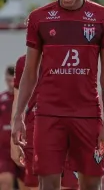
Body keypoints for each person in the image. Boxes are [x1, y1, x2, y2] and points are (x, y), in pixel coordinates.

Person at [11, 0, 104, 190]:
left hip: (88, 114)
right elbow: (30, 72)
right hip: (49, 115)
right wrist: (18, 117)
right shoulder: (39, 19)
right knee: (48, 183)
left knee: (91, 183)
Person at [11, 54, 79, 190]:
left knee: (69, 186)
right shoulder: (23, 62)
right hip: (34, 136)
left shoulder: (74, 56)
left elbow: (90, 93)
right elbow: (17, 103)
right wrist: (13, 143)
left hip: (68, 135)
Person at [0, 65, 24, 190]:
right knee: (5, 183)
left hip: (23, 148)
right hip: (4, 151)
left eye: (13, 80)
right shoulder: (1, 100)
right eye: (8, 80)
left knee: (26, 185)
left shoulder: (25, 99)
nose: (10, 84)